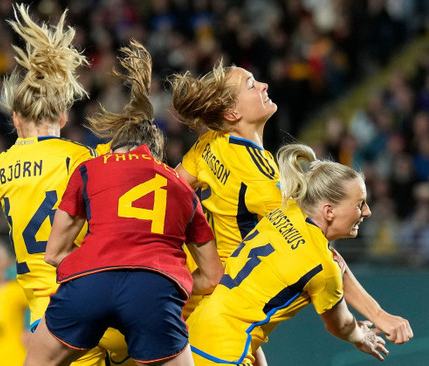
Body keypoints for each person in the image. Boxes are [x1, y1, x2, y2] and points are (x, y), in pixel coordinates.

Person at [170, 63, 413, 349]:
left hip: (192, 285)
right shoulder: (264, 180)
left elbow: (172, 189)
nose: (264, 85)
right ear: (232, 113)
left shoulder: (210, 143)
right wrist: (379, 315)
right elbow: (320, 253)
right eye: (251, 84)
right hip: (224, 300)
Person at [24, 40, 223, 366]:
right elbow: (213, 275)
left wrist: (96, 267)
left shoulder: (89, 169)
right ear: (156, 154)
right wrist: (176, 283)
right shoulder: (183, 190)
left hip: (88, 283)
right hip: (155, 291)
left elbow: (53, 252)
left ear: (116, 146)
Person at [0, 4, 129, 366]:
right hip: (89, 293)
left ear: (16, 117)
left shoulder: (1, 166)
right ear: (65, 115)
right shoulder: (81, 158)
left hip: (45, 313)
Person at [187, 143, 390, 365]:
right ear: (329, 211)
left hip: (194, 330)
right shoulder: (322, 267)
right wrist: (360, 335)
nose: (367, 211)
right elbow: (339, 325)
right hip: (226, 354)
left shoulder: (283, 211)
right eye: (360, 204)